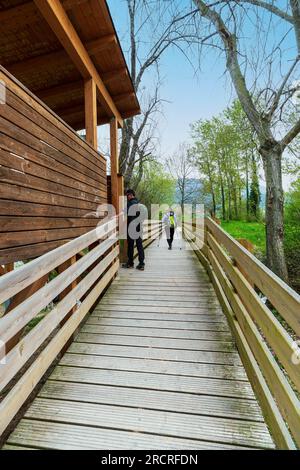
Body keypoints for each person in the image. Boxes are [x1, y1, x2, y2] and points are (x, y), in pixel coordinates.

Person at [122, 189, 145, 271]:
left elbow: (125, 212)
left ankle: (130, 263)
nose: (126, 197)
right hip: (139, 227)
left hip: (131, 228)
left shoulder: (130, 203)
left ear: (130, 195)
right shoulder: (139, 204)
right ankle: (141, 264)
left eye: (127, 195)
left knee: (130, 246)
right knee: (139, 246)